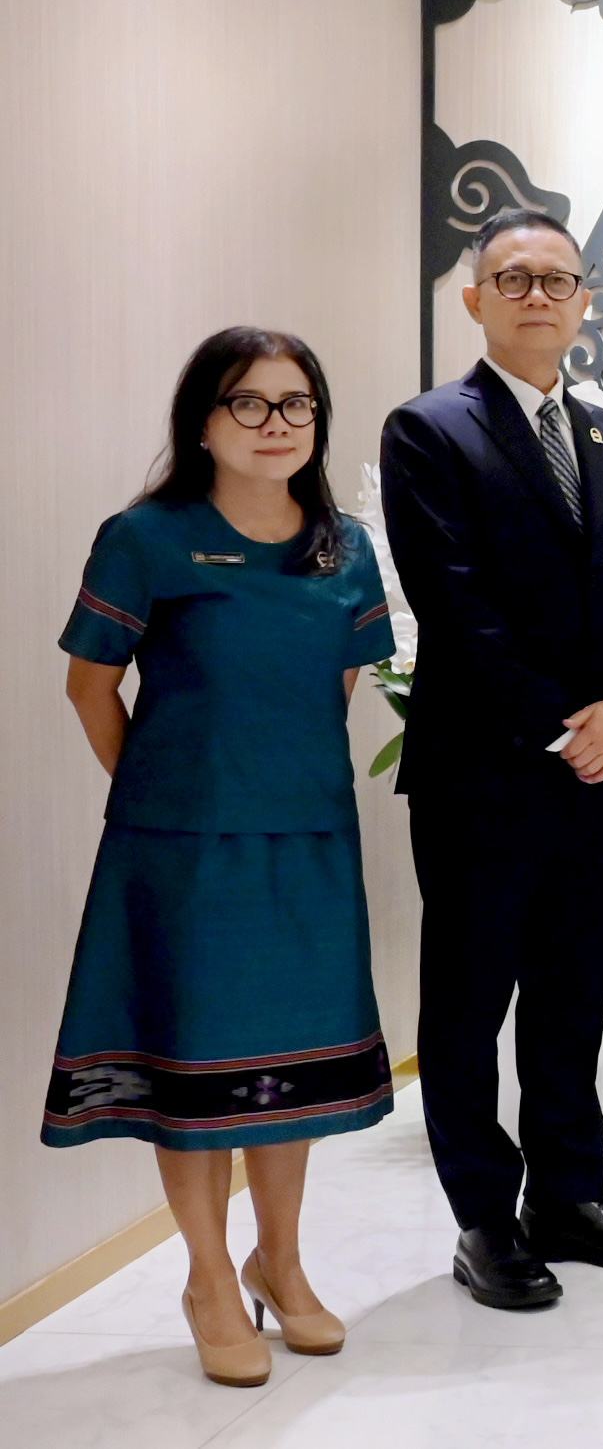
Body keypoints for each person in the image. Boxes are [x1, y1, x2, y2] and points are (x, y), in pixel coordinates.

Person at [48, 328, 396, 1386]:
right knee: (194, 1072)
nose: (275, 424)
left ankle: (278, 1261)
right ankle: (207, 1279)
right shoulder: (145, 538)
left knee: (286, 1061)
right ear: (202, 420)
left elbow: (334, 689)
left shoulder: (345, 549)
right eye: (248, 402)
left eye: (297, 404)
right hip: (182, 853)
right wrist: (167, 795)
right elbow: (90, 686)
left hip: (308, 842)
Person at [379, 208, 603, 1310]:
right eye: (515, 278)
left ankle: (571, 1196)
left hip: (602, 773)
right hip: (486, 771)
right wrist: (567, 723)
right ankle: (483, 1219)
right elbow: (454, 604)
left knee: (570, 992)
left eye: (558, 279)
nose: (539, 295)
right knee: (469, 1003)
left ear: (584, 301)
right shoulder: (429, 429)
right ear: (475, 298)